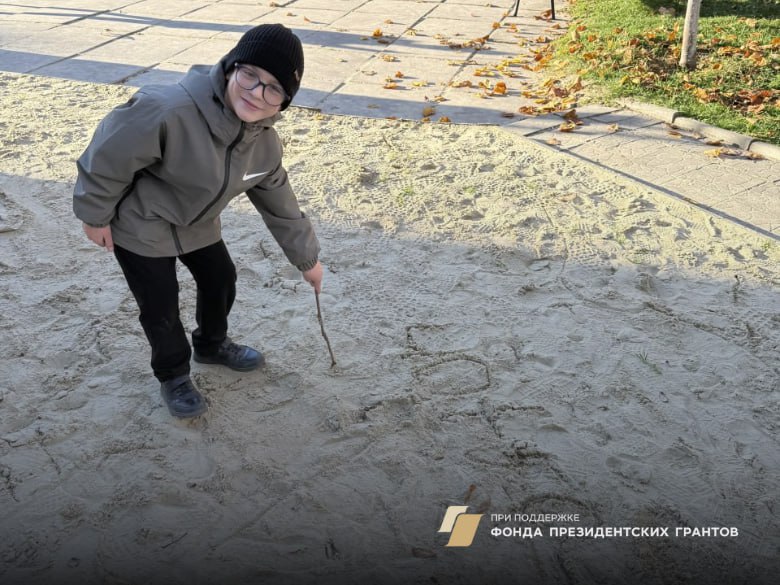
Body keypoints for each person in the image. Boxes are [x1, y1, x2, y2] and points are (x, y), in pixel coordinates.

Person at [73, 24, 322, 419]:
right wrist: (94, 216)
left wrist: (307, 259)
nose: (257, 93)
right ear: (231, 67)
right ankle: (173, 374)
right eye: (250, 75)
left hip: (198, 223)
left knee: (221, 279)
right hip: (142, 224)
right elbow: (107, 157)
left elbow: (280, 203)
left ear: (284, 101)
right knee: (160, 304)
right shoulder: (167, 109)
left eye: (274, 88)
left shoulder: (264, 144)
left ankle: (211, 344)